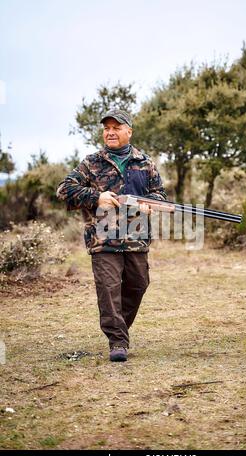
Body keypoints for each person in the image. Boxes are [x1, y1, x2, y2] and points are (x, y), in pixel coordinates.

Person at [56, 109, 166, 362]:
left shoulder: (145, 163)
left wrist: (150, 203)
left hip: (137, 239)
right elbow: (64, 190)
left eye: (116, 127)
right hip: (103, 241)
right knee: (108, 289)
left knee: (138, 285)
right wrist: (97, 197)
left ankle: (120, 329)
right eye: (107, 128)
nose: (110, 132)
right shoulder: (91, 162)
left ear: (129, 131)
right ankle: (117, 341)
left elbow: (160, 195)